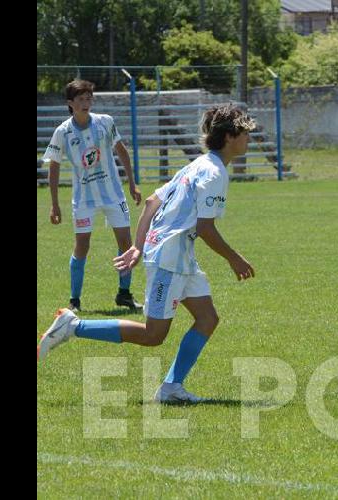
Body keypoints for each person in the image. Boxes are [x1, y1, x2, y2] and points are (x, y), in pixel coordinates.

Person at [38, 104, 258, 404]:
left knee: (207, 318)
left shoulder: (198, 164)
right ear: (230, 136)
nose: (249, 140)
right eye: (246, 134)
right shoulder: (214, 172)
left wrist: (138, 246)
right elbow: (205, 228)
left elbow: (152, 202)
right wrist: (234, 257)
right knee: (153, 335)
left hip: (179, 256)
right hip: (170, 257)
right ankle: (74, 326)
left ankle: (170, 388)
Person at [43, 79, 144, 312]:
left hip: (113, 194)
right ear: (71, 103)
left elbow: (121, 151)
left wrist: (132, 183)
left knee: (126, 243)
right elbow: (54, 167)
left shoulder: (105, 122)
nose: (86, 103)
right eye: (81, 99)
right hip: (84, 199)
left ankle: (124, 294)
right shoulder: (62, 132)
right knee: (82, 246)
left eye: (89, 98)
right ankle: (74, 300)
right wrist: (54, 204)